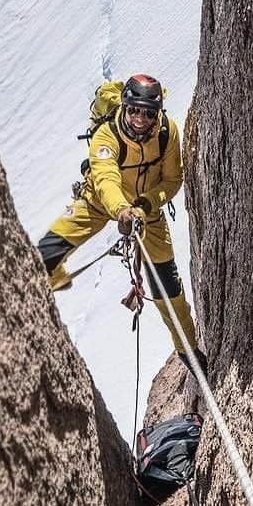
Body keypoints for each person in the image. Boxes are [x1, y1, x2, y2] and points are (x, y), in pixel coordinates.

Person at [36, 73, 208, 378]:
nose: (140, 119)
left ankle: (190, 353)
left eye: (147, 113)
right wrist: (122, 210)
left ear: (157, 114)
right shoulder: (107, 135)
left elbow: (172, 179)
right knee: (46, 254)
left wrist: (143, 205)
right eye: (134, 110)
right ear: (125, 107)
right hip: (100, 204)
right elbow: (105, 180)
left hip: (147, 214)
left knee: (168, 291)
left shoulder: (168, 133)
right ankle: (44, 291)